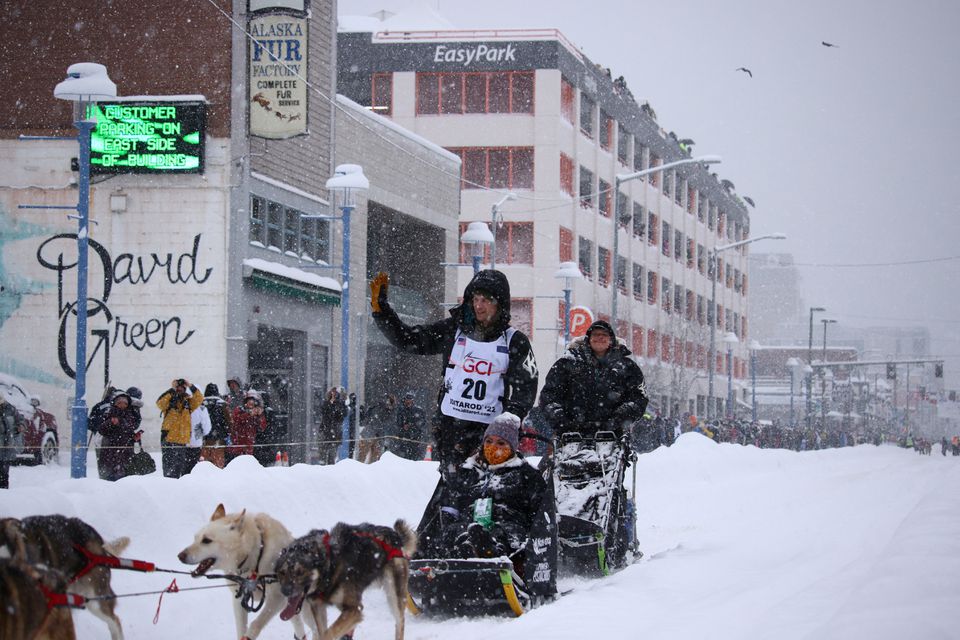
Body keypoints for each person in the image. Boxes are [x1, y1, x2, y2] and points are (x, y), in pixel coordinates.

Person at [370, 269, 538, 475]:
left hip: (490, 433)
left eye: (486, 300)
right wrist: (382, 311)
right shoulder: (453, 330)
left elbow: (526, 386)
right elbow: (410, 339)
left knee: (486, 493)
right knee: (452, 495)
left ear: (499, 304)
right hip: (451, 430)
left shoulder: (515, 341)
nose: (479, 306)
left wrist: (511, 419)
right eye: (475, 299)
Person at [435, 413, 547, 562]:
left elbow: (539, 514)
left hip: (508, 527)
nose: (493, 447)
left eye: (501, 443)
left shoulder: (526, 473)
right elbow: (454, 504)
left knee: (496, 533)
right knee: (456, 532)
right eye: (489, 441)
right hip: (469, 523)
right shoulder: (469, 471)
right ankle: (466, 549)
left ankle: (486, 550)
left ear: (512, 447)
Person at [539, 320, 648, 439]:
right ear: (588, 339)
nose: (600, 338)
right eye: (596, 334)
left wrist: (618, 419)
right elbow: (549, 396)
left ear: (611, 339)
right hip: (570, 437)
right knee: (550, 458)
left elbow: (639, 398)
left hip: (613, 437)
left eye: (604, 335)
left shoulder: (627, 366)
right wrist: (562, 421)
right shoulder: (567, 363)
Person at [156, 378, 204, 478]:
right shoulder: (169, 401)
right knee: (169, 470)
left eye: (182, 387)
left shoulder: (188, 403)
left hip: (182, 441)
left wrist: (190, 385)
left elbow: (199, 398)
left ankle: (177, 490)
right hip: (168, 439)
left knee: (179, 470)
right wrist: (172, 389)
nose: (180, 389)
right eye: (178, 387)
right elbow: (159, 403)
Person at [93, 389, 141, 481]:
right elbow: (102, 430)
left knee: (126, 479)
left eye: (125, 403)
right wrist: (110, 422)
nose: (122, 405)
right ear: (115, 403)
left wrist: (134, 437)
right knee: (110, 479)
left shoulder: (130, 415)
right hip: (110, 452)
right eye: (120, 403)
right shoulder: (109, 413)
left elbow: (129, 430)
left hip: (126, 452)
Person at [228, 392, 266, 464]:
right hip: (237, 446)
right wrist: (249, 414)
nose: (251, 403)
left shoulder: (257, 413)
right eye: (249, 400)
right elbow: (236, 422)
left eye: (253, 401)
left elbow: (262, 427)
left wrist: (259, 415)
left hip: (250, 446)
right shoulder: (239, 410)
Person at [200, 383, 231, 468]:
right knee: (218, 467)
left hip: (204, 441)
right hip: (219, 440)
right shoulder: (223, 405)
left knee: (204, 467)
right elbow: (229, 422)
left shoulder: (201, 404)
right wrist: (228, 434)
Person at [358, 393, 395, 463]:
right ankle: (358, 470)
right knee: (362, 456)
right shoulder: (378, 408)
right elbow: (376, 421)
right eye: (388, 401)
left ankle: (371, 471)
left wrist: (392, 407)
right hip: (370, 434)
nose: (388, 403)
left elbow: (389, 421)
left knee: (375, 458)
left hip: (378, 436)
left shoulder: (389, 410)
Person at [318, 387, 347, 465]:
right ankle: (322, 469)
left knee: (332, 456)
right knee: (322, 456)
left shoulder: (340, 404)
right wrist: (330, 402)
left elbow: (343, 415)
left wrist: (339, 403)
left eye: (335, 394)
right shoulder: (325, 403)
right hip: (325, 431)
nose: (334, 396)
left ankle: (330, 471)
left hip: (335, 433)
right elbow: (324, 412)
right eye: (332, 394)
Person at [394, 392, 426, 460]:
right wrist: (403, 426)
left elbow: (422, 422)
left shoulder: (418, 410)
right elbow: (398, 422)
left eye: (410, 399)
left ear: (412, 400)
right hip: (404, 436)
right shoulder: (401, 410)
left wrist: (411, 425)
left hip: (415, 436)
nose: (408, 401)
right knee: (403, 456)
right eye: (407, 399)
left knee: (414, 455)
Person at [0, 395, 19, 488]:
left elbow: (20, 420)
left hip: (7, 447)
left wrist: (21, 426)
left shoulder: (10, 409)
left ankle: (5, 492)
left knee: (4, 472)